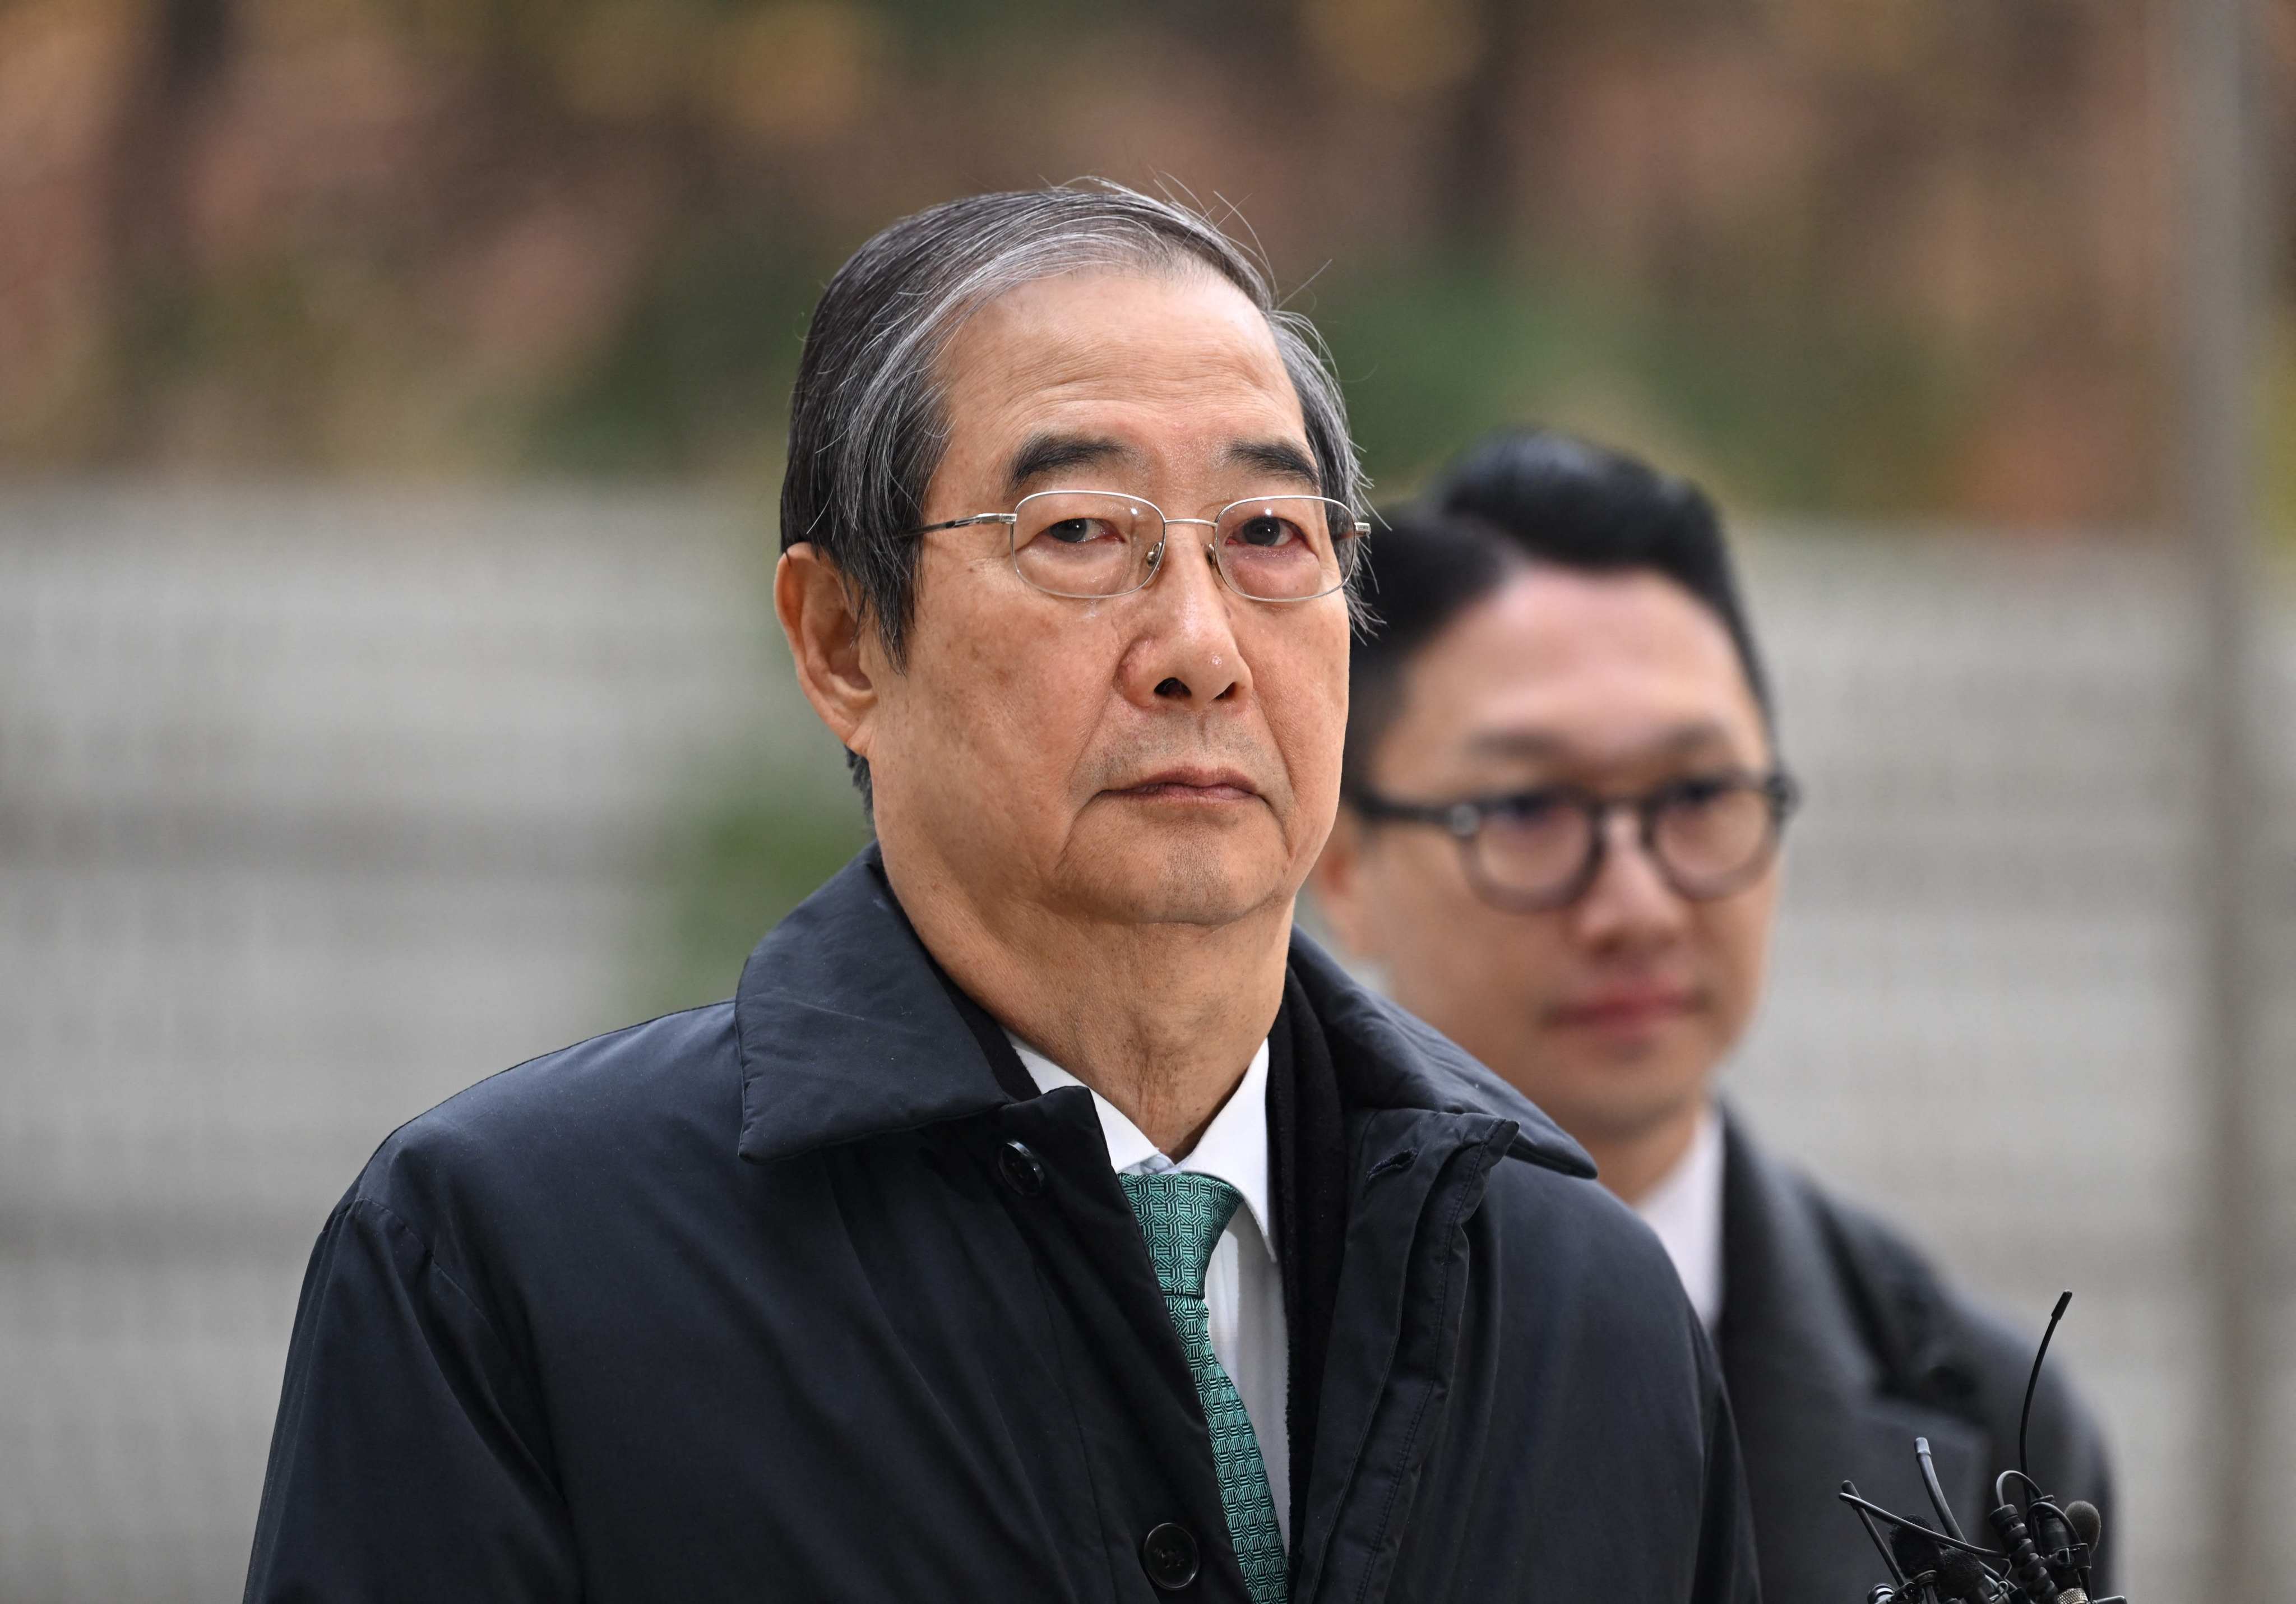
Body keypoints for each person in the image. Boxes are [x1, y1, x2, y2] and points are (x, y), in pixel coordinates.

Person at [242, 191, 1758, 1602]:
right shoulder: (512, 1265)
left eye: (1270, 537)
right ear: (842, 638)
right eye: (1082, 531)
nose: (1199, 644)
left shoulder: (1587, 1310)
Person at [1310, 427, 2116, 1602]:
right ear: (1341, 867)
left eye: (1695, 796)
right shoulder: (1241, 1337)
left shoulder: (1993, 1428)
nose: (1634, 905)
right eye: (1529, 807)